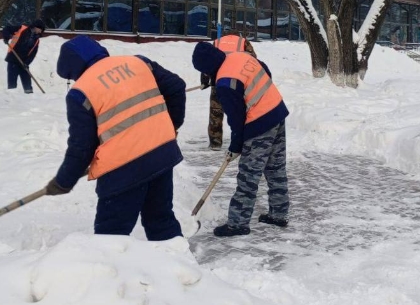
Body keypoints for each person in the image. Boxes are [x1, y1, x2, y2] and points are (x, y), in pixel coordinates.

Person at [44, 35, 186, 241]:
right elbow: (177, 87)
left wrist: (64, 181)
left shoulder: (81, 92)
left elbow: (81, 147)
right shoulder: (139, 62)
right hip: (161, 155)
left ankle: (109, 272)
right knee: (161, 219)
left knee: (110, 235)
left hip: (123, 169)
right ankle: (181, 269)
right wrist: (171, 125)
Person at [192, 41, 290, 237]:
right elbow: (265, 71)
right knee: (275, 168)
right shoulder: (239, 56)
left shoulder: (225, 84)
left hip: (260, 124)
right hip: (277, 111)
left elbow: (237, 120)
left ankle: (238, 223)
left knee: (248, 175)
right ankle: (279, 213)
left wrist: (236, 146)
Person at [201, 32, 257, 150]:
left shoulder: (217, 42)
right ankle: (242, 139)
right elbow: (253, 60)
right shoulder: (243, 42)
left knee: (215, 112)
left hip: (218, 81)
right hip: (238, 82)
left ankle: (215, 142)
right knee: (239, 111)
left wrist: (205, 80)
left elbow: (207, 61)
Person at [3, 19, 45, 93]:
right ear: (36, 27)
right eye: (40, 29)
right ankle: (12, 95)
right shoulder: (21, 29)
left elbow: (33, 54)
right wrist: (6, 37)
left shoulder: (36, 40)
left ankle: (29, 94)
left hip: (23, 61)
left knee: (26, 78)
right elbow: (7, 28)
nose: (40, 31)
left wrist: (27, 63)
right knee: (12, 79)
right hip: (13, 58)